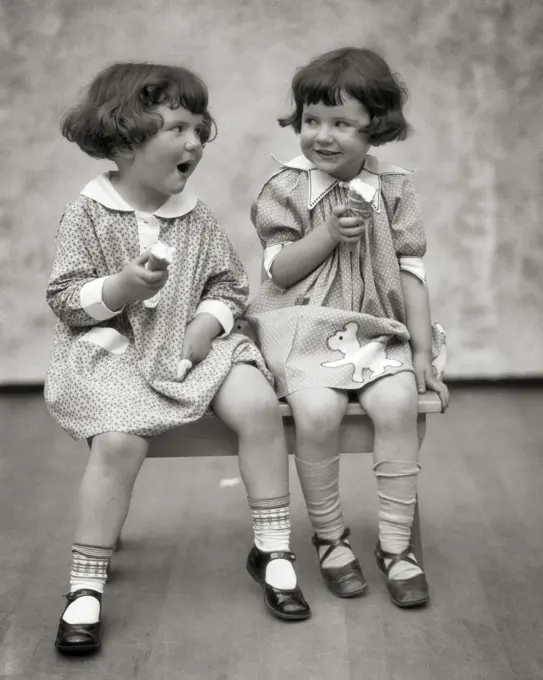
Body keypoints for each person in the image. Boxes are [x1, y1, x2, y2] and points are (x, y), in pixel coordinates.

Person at [45, 62, 310, 656]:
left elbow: (228, 285)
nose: (194, 142)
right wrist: (120, 290)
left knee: (258, 404)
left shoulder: (194, 214)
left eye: (199, 128)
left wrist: (206, 323)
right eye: (176, 129)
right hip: (115, 352)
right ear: (124, 138)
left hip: (195, 347)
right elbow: (65, 298)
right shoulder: (88, 213)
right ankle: (85, 584)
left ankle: (272, 547)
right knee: (118, 440)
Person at [246, 47, 449, 608]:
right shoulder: (285, 189)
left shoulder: (395, 190)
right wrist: (329, 233)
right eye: (312, 120)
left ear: (376, 128)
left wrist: (424, 351)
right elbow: (282, 271)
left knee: (397, 401)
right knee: (316, 412)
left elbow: (410, 274)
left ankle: (395, 545)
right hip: (302, 324)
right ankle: (331, 538)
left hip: (378, 327)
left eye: (341, 123)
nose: (322, 135)